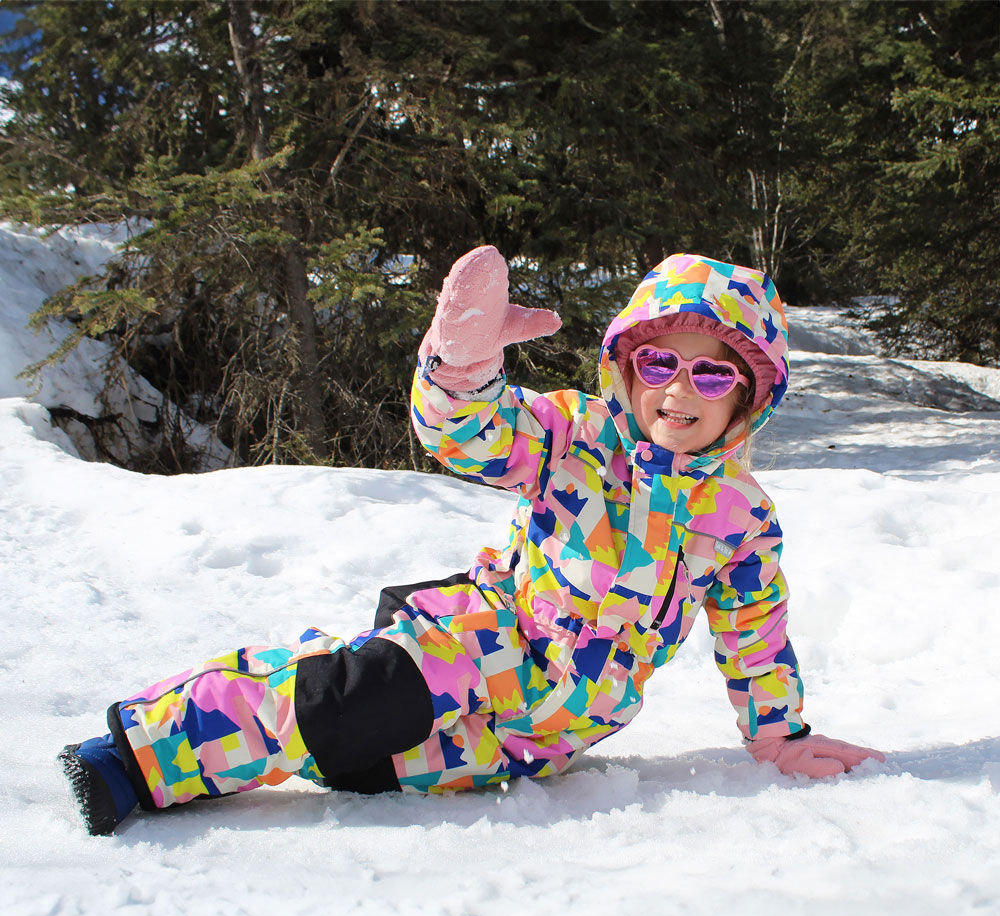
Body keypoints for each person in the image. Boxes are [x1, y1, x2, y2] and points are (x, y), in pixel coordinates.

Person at [59, 247, 884, 836]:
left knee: (353, 760)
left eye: (712, 376)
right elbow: (475, 435)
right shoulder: (577, 434)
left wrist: (778, 733)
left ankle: (214, 757)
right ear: (629, 369)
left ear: (749, 399)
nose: (680, 391)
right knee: (340, 702)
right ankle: (135, 753)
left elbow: (754, 632)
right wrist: (461, 373)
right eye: (663, 363)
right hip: (477, 644)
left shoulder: (740, 515)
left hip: (542, 734)